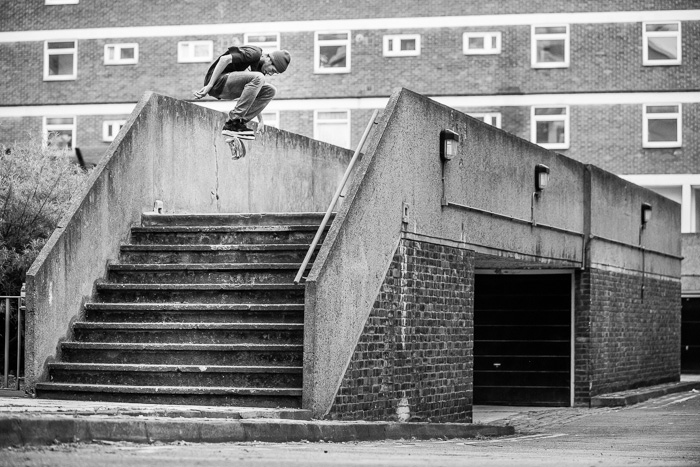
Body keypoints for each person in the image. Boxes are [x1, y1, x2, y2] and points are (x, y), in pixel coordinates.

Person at [193, 45, 290, 140]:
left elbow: (252, 95)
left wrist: (260, 120)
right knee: (260, 77)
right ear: (269, 59)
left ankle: (238, 124)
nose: (271, 73)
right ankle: (233, 122)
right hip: (218, 82)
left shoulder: (259, 70)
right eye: (272, 70)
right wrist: (209, 85)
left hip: (229, 88)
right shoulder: (254, 53)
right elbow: (224, 59)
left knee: (270, 90)